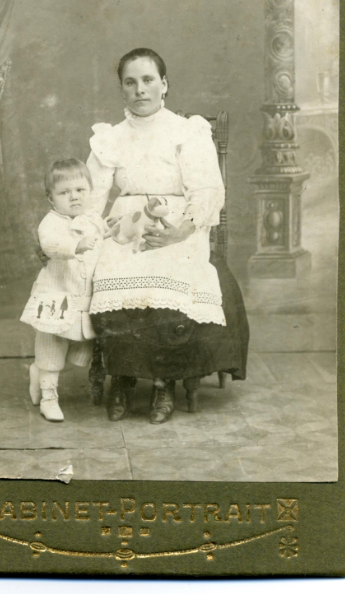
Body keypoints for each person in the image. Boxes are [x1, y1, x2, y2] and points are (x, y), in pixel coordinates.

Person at [87, 48, 248, 424]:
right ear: (122, 89)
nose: (140, 89)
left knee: (170, 274)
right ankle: (123, 379)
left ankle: (164, 383)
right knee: (111, 270)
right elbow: (91, 199)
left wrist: (181, 232)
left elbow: (207, 190)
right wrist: (91, 233)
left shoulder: (186, 131)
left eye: (148, 80)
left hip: (179, 225)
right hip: (126, 225)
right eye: (130, 82)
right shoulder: (111, 137)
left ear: (164, 84)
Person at [20, 158, 106, 422]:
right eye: (64, 192)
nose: (74, 197)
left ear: (90, 191)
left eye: (80, 190)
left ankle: (37, 372)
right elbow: (50, 245)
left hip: (82, 298)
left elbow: (106, 240)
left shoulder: (94, 220)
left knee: (79, 351)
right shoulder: (51, 222)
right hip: (56, 295)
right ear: (51, 198)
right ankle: (49, 397)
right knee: (52, 347)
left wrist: (117, 231)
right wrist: (75, 246)